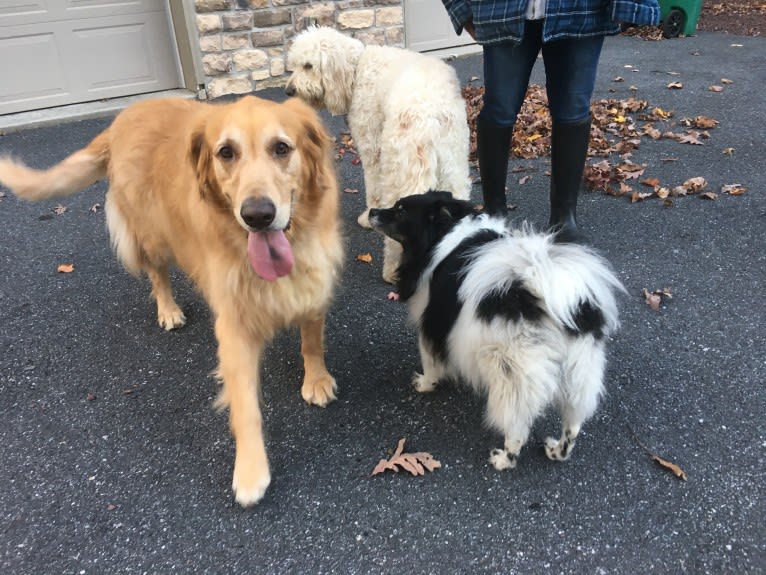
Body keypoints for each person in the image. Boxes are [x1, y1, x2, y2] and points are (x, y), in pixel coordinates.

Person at [441, 0, 660, 243]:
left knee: (573, 109)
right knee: (498, 110)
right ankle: (494, 215)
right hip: (501, 9)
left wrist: (629, 6)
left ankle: (564, 218)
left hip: (582, 11)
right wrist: (462, 10)